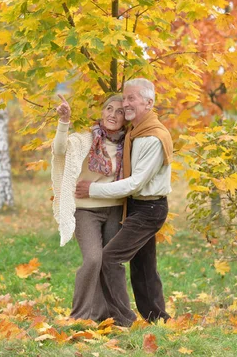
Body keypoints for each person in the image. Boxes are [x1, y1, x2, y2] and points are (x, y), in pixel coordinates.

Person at [75, 78, 173, 326]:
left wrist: (93, 189)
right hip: (136, 206)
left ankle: (123, 319)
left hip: (149, 208)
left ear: (149, 103)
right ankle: (157, 318)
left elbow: (135, 183)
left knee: (109, 258)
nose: (126, 103)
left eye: (132, 98)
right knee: (143, 266)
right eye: (125, 97)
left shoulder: (152, 138)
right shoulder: (134, 133)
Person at [51, 93, 132, 322]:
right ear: (101, 112)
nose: (112, 115)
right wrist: (64, 122)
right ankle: (79, 316)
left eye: (119, 111)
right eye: (108, 109)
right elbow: (59, 150)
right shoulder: (86, 139)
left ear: (126, 118)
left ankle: (111, 316)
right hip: (86, 210)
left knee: (112, 264)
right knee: (93, 260)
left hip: (116, 209)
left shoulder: (128, 144)